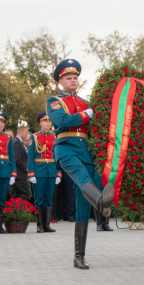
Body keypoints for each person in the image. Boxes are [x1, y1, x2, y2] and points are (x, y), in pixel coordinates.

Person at [48, 59, 116, 270]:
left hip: (86, 150)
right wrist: (85, 116)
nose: (73, 81)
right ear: (60, 82)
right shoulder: (55, 101)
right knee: (83, 178)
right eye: (68, 78)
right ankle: (102, 204)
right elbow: (62, 121)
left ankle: (79, 256)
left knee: (83, 203)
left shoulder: (86, 103)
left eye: (75, 78)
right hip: (66, 147)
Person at [28, 112, 63, 233]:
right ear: (40, 123)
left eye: (49, 121)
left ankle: (47, 224)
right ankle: (39, 225)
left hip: (51, 170)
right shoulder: (34, 137)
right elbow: (30, 157)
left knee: (49, 198)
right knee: (39, 198)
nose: (47, 123)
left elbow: (58, 156)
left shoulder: (55, 136)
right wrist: (31, 173)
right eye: (45, 121)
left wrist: (58, 173)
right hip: (39, 170)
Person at [12, 126, 30, 201]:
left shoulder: (17, 141)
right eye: (26, 133)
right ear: (20, 132)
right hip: (20, 174)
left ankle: (13, 207)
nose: (27, 134)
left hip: (17, 173)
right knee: (25, 193)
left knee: (15, 194)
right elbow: (17, 158)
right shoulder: (17, 142)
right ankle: (17, 206)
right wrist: (25, 169)